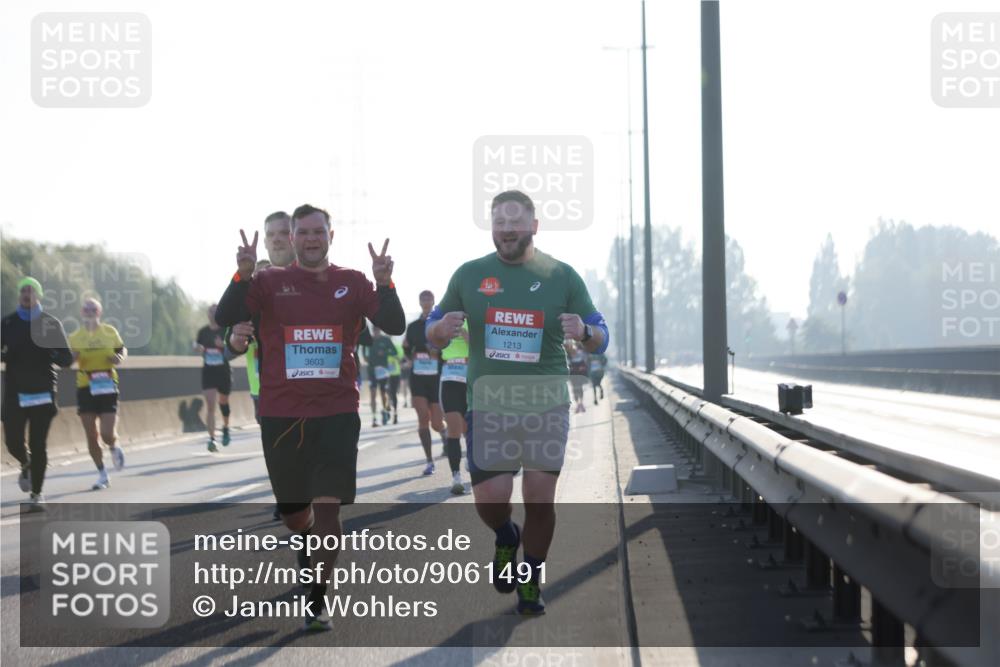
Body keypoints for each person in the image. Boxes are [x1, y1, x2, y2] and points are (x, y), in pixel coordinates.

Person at [216, 203, 405, 631]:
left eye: (318, 231)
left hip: (337, 411)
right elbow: (227, 318)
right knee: (295, 514)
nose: (311, 238)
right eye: (302, 233)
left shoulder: (352, 282)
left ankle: (318, 598)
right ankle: (304, 542)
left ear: (331, 236)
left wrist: (385, 282)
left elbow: (393, 324)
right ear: (292, 238)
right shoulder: (267, 282)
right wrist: (242, 273)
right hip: (281, 413)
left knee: (327, 510)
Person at [427, 190, 609, 615]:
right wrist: (438, 332)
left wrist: (584, 329)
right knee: (491, 498)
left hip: (545, 403)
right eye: (499, 223)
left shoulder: (561, 276)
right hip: (488, 405)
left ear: (533, 226)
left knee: (540, 498)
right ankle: (507, 536)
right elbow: (434, 326)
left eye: (515, 222)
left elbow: (601, 337)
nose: (507, 230)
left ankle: (530, 578)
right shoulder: (470, 275)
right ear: (492, 227)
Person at [1, 277, 74, 509]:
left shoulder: (50, 324)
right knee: (12, 442)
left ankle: (37, 494)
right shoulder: (8, 323)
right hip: (15, 392)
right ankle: (26, 463)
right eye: (23, 290)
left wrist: (50, 352)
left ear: (38, 296)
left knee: (38, 442)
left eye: (31, 290)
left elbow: (66, 359)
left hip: (43, 392)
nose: (26, 294)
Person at [68, 297, 127, 490]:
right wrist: (72, 358)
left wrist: (118, 357)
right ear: (82, 313)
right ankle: (102, 474)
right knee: (91, 435)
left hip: (107, 384)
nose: (90, 312)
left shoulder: (110, 332)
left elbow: (122, 349)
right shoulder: (75, 336)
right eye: (86, 309)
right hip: (85, 386)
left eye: (93, 309)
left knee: (107, 433)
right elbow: (68, 360)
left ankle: (114, 445)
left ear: (99, 312)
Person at [404, 290, 447, 475]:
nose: (426, 300)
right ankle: (429, 461)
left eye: (429, 297)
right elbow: (406, 347)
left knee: (437, 423)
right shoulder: (413, 326)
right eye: (423, 297)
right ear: (419, 301)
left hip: (436, 378)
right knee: (423, 417)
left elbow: (449, 350)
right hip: (418, 378)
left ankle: (444, 436)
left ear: (433, 300)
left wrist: (438, 355)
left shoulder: (439, 324)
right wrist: (411, 356)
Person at [194, 304, 232, 451]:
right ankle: (212, 439)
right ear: (207, 314)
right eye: (210, 311)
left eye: (215, 311)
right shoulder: (203, 332)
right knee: (210, 405)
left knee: (223, 402)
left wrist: (222, 345)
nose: (212, 314)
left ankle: (226, 427)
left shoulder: (225, 330)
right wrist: (198, 348)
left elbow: (233, 347)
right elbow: (196, 346)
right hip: (209, 371)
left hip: (223, 371)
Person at [438, 320, 469, 494]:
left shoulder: (474, 317)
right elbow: (434, 342)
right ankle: (456, 477)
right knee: (454, 429)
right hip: (450, 378)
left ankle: (471, 457)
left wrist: (464, 332)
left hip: (471, 377)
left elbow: (480, 347)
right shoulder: (444, 318)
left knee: (471, 428)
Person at [362, 326, 396, 427]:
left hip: (383, 370)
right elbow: (364, 349)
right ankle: (374, 418)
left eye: (377, 330)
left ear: (380, 330)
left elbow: (394, 352)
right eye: (374, 330)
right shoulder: (369, 339)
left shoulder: (385, 340)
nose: (375, 332)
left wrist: (385, 352)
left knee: (383, 392)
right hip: (372, 370)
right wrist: (365, 357)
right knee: (372, 393)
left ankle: (385, 411)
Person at [566, 340, 590, 413]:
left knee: (579, 389)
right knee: (575, 390)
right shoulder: (568, 355)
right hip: (573, 376)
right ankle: (578, 405)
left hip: (579, 375)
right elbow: (567, 365)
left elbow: (585, 364)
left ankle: (581, 404)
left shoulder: (581, 353)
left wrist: (582, 368)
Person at [386, 337, 403, 425]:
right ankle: (387, 410)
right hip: (385, 373)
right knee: (386, 392)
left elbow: (400, 358)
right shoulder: (384, 345)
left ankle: (395, 413)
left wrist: (394, 356)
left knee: (393, 393)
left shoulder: (397, 346)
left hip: (395, 373)